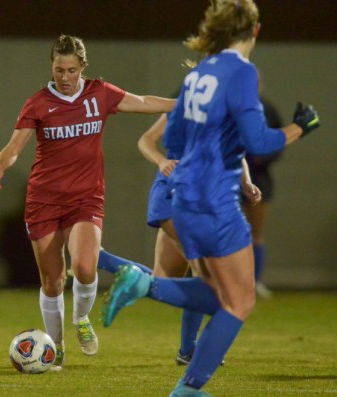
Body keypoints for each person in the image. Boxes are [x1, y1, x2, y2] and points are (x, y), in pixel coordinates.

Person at [101, 1, 320, 395]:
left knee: (220, 296)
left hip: (182, 195)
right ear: (255, 31)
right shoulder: (241, 73)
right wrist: (300, 128)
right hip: (215, 199)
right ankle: (186, 381)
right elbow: (259, 141)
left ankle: (187, 378)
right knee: (240, 302)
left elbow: (175, 140)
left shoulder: (198, 74)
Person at [0, 34, 176, 370]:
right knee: (53, 280)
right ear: (52, 67)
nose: (64, 76)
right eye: (58, 69)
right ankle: (55, 347)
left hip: (85, 198)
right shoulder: (38, 102)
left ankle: (81, 319)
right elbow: (15, 145)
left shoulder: (99, 93)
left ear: (82, 68)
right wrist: (1, 165)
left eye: (70, 70)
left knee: (87, 268)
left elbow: (143, 101)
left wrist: (182, 105)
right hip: (43, 200)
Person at [98, 113, 261, 366]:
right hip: (178, 197)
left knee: (162, 281)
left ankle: (100, 258)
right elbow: (146, 140)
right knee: (210, 283)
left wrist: (246, 183)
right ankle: (188, 351)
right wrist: (161, 161)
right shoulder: (184, 107)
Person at [243, 79, 284, 298]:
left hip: (258, 176)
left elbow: (278, 140)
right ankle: (216, 280)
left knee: (256, 231)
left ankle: (255, 281)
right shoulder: (229, 104)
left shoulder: (266, 109)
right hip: (227, 174)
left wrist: (262, 158)